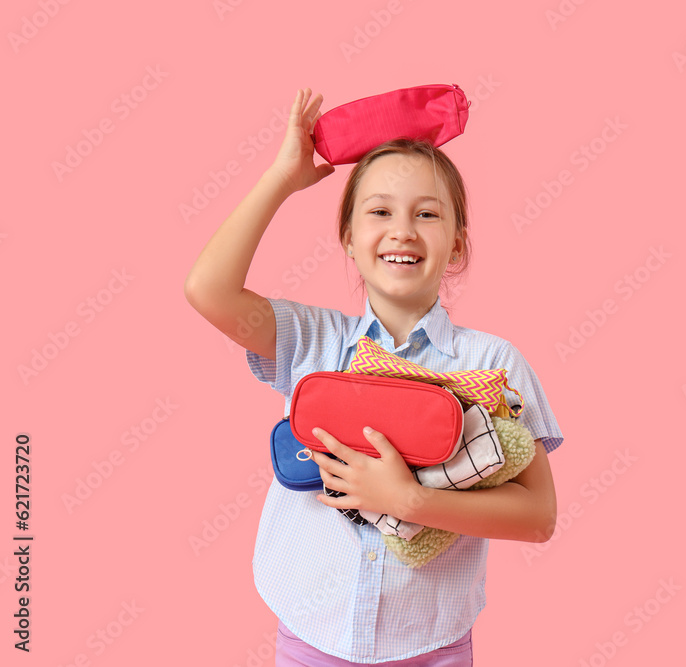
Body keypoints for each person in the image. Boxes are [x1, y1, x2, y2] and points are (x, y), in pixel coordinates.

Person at [184, 88, 564, 666]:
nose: (402, 231)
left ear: (458, 240)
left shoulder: (496, 364)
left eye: (428, 213)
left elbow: (538, 518)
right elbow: (207, 291)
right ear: (348, 238)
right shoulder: (312, 342)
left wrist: (409, 500)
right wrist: (284, 177)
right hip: (313, 639)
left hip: (429, 646)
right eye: (380, 211)